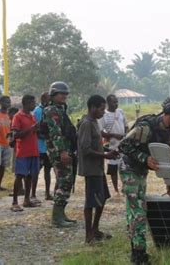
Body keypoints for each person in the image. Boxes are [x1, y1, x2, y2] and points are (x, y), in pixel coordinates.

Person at [119, 95, 170, 264]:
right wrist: (144, 158)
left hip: (141, 171)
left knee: (135, 210)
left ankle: (135, 247)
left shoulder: (169, 131)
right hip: (129, 169)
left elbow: (163, 159)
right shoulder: (146, 126)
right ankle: (139, 255)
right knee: (138, 212)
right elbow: (123, 145)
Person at [78, 95, 118, 244]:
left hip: (99, 168)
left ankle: (95, 230)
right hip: (91, 169)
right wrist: (105, 155)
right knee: (91, 202)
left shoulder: (95, 122)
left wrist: (107, 151)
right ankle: (88, 236)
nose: (103, 112)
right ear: (93, 107)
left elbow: (96, 144)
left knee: (102, 198)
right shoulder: (86, 123)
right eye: (101, 109)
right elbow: (85, 149)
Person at [42, 81, 78, 228]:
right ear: (54, 94)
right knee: (64, 182)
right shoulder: (51, 110)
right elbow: (55, 133)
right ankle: (57, 218)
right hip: (58, 151)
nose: (64, 96)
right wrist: (62, 151)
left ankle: (61, 213)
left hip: (64, 149)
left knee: (67, 181)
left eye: (65, 94)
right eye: (61, 93)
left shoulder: (59, 109)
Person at [10, 95, 40, 212]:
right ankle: (14, 202)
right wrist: (32, 128)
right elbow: (16, 135)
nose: (34, 105)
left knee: (30, 176)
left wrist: (36, 129)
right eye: (32, 103)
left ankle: (27, 199)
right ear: (26, 103)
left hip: (33, 150)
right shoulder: (18, 117)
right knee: (20, 176)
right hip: (23, 151)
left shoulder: (32, 116)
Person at [98, 94, 128, 195]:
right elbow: (101, 132)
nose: (116, 104)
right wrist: (114, 135)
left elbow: (126, 125)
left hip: (123, 144)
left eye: (117, 101)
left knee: (125, 167)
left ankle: (125, 186)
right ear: (108, 103)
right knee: (113, 169)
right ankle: (116, 189)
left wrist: (125, 136)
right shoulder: (104, 115)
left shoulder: (120, 112)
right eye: (113, 102)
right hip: (111, 146)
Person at [33, 92, 53, 200]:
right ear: (44, 99)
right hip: (39, 146)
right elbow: (35, 128)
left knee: (48, 170)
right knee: (36, 170)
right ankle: (33, 194)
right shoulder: (38, 111)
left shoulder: (50, 110)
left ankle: (47, 193)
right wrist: (44, 136)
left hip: (47, 147)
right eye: (49, 99)